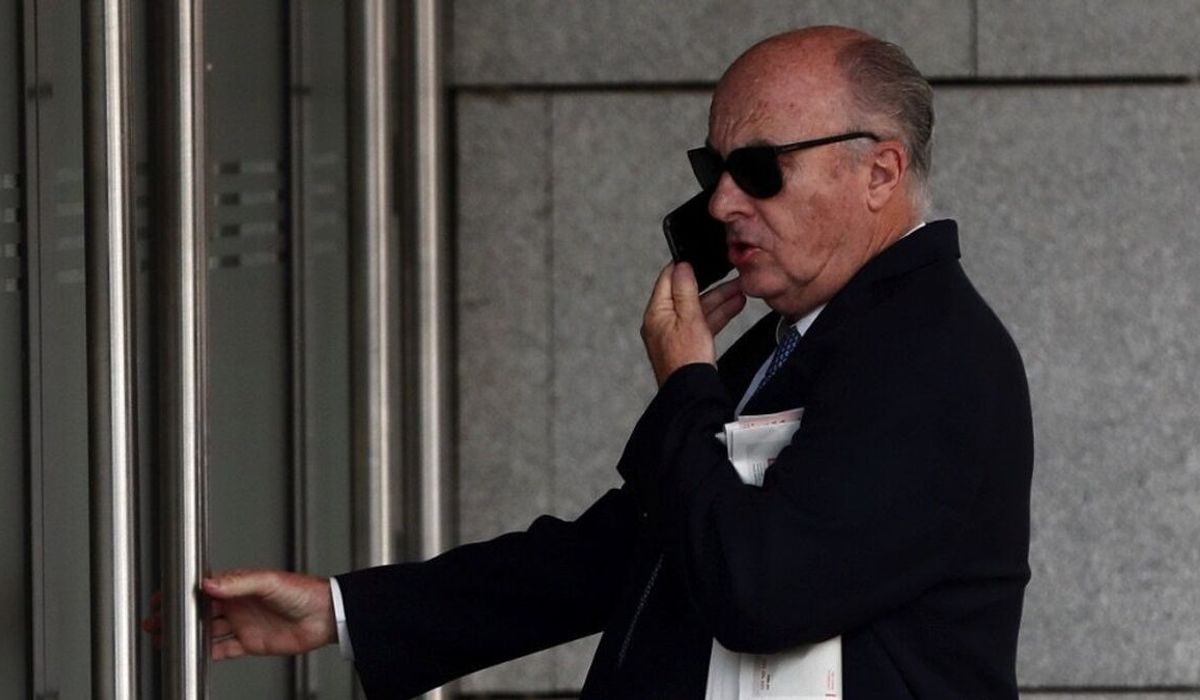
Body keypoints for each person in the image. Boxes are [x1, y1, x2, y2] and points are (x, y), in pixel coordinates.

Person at [146, 25, 1033, 698]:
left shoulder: (932, 353)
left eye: (760, 168)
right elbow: (622, 552)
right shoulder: (808, 337)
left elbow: (762, 590)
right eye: (714, 167)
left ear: (880, 172)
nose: (722, 202)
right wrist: (342, 611)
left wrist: (687, 386)